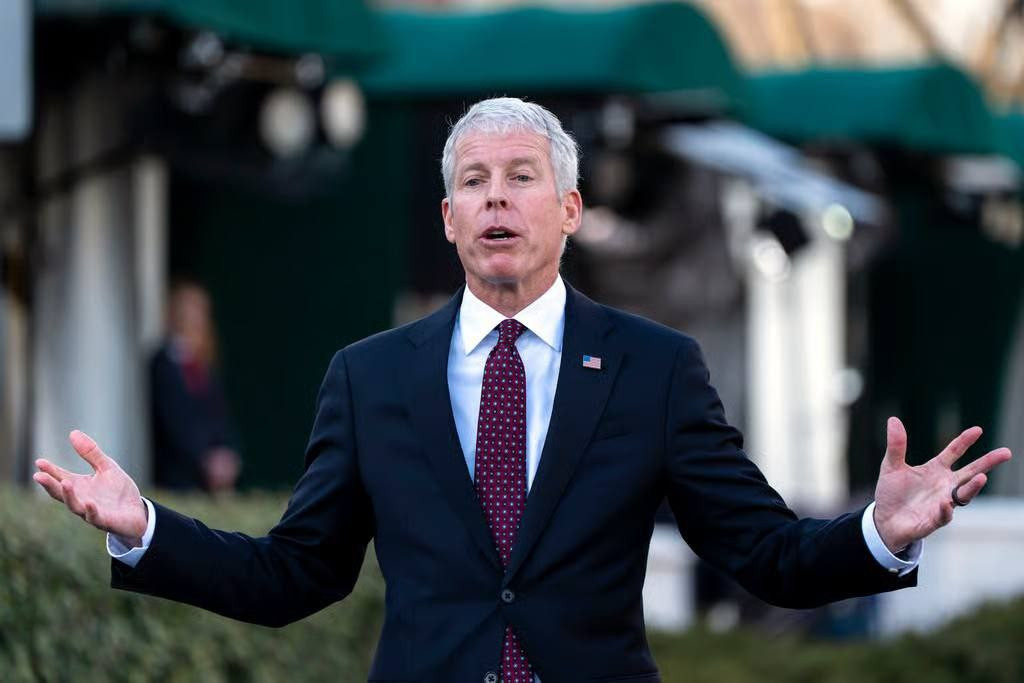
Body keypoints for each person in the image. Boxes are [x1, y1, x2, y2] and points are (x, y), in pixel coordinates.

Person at [33, 98, 1011, 683]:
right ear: (448, 217)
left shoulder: (653, 368)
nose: (496, 195)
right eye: (474, 180)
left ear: (570, 208)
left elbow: (764, 553)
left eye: (521, 176)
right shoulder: (369, 376)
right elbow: (294, 574)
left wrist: (879, 532)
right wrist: (147, 528)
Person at [149, 280, 241, 493]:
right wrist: (204, 459)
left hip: (209, 477)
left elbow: (219, 417)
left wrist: (226, 454)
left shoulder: (204, 364)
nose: (194, 319)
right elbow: (173, 422)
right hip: (176, 477)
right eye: (188, 312)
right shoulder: (162, 363)